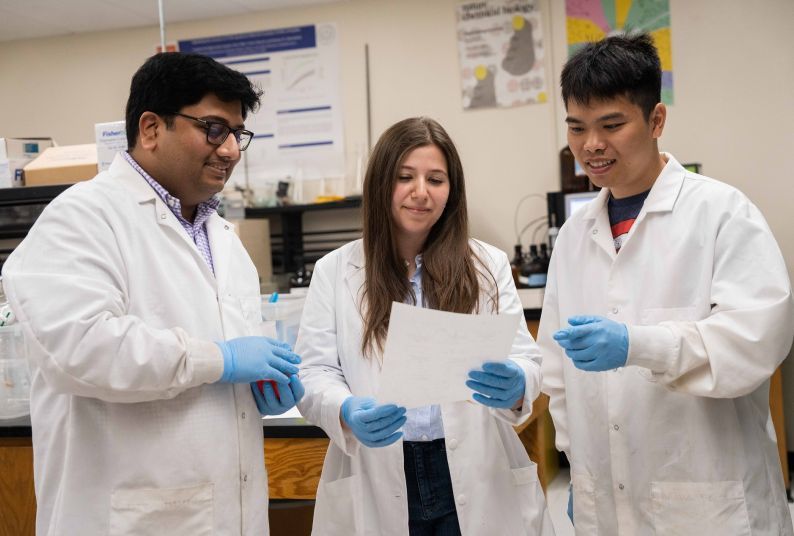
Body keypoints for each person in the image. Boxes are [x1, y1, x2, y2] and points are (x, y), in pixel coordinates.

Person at [2, 52, 305, 535]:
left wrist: (255, 387)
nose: (230, 149)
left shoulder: (222, 237)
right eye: (213, 128)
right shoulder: (82, 217)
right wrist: (220, 360)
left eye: (236, 133)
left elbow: (222, 357)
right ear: (150, 129)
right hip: (129, 517)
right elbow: (80, 348)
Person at [538, 33, 794, 535]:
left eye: (611, 125)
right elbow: (557, 370)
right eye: (577, 128)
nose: (591, 145)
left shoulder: (722, 212)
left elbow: (756, 341)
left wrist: (640, 344)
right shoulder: (573, 237)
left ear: (656, 120)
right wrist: (577, 473)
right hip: (604, 504)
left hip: (708, 503)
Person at [295, 117, 554, 536]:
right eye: (404, 177)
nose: (421, 192)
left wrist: (518, 381)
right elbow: (313, 372)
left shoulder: (487, 264)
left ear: (451, 191)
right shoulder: (335, 270)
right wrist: (345, 408)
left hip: (473, 466)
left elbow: (525, 358)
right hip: (379, 466)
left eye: (435, 179)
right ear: (382, 183)